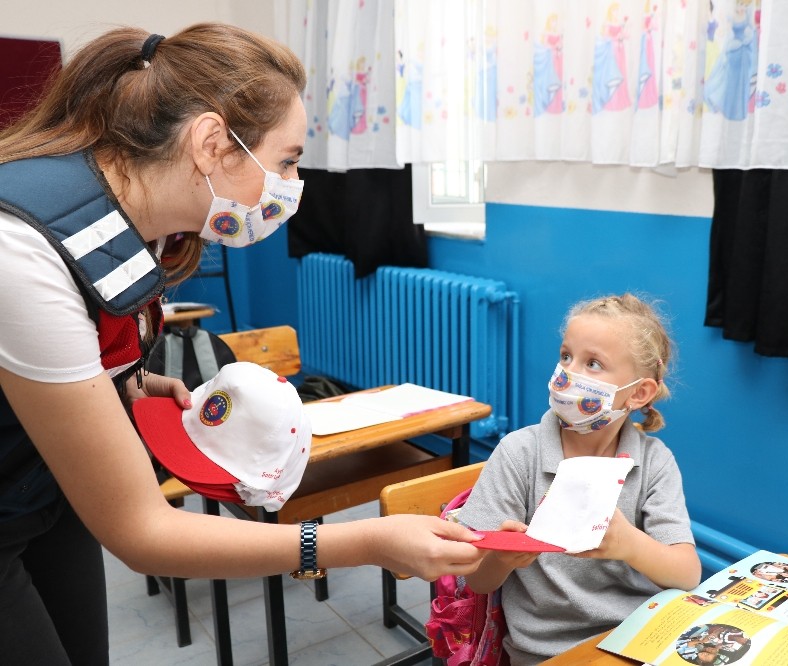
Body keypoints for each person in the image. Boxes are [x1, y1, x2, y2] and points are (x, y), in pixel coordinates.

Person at [0, 23, 483, 665]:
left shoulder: (139, 224)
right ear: (211, 144)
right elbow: (142, 533)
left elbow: (68, 351)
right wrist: (361, 541)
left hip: (39, 487)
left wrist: (127, 384)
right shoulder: (23, 250)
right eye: (285, 161)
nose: (292, 184)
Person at [458, 293, 702, 664]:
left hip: (635, 640)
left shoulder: (655, 461)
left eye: (593, 363)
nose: (569, 375)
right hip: (545, 652)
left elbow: (687, 574)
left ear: (638, 393)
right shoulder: (519, 452)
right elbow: (475, 580)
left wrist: (629, 544)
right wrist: (503, 558)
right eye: (566, 356)